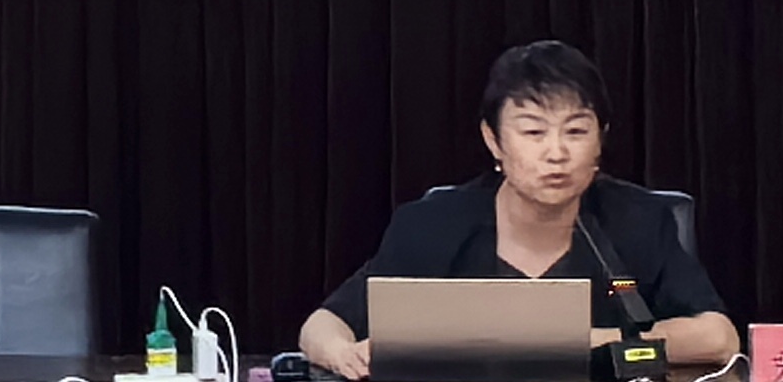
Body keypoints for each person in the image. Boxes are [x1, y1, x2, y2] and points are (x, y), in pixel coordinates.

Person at [297, 41, 738, 380]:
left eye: (575, 131)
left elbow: (718, 338)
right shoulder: (434, 226)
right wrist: (344, 355)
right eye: (533, 132)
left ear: (600, 140)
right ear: (494, 141)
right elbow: (324, 324)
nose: (557, 153)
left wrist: (585, 342)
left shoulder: (636, 221)